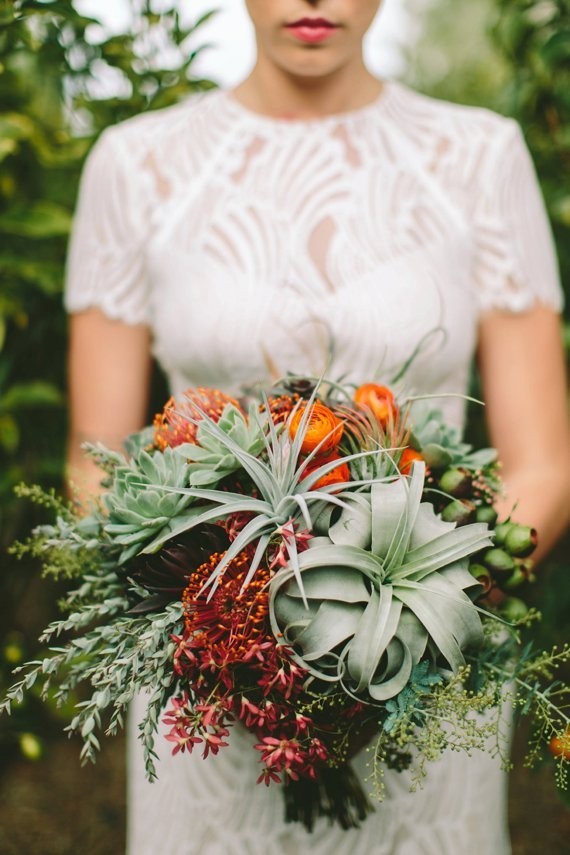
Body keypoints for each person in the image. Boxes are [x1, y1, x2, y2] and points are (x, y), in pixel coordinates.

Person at [64, 2, 569, 853]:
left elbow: (544, 462)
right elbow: (94, 469)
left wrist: (406, 630)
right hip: (213, 696)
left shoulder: (480, 158)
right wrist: (224, 636)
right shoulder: (137, 165)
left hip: (429, 689)